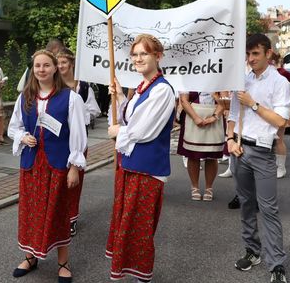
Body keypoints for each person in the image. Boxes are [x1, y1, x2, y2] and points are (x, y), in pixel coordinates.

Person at [8, 49, 87, 283]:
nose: (41, 69)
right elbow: (14, 126)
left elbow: (78, 136)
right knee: (31, 213)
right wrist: (22, 137)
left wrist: (74, 167)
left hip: (57, 165)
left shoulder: (71, 98)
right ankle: (30, 258)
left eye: (46, 65)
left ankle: (63, 263)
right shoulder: (26, 97)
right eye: (37, 66)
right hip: (32, 164)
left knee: (58, 213)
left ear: (55, 68)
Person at [106, 34, 176, 282]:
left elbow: (144, 131)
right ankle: (133, 274)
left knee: (139, 230)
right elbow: (131, 118)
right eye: (134, 54)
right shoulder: (141, 89)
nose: (137, 58)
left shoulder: (163, 90)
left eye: (143, 54)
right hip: (131, 166)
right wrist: (119, 99)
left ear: (157, 56)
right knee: (128, 226)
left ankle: (142, 277)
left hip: (147, 171)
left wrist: (118, 132)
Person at [227, 34, 290, 283]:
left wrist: (253, 104)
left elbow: (280, 121)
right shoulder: (242, 80)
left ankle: (276, 264)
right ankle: (252, 251)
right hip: (240, 150)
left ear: (268, 53)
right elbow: (233, 113)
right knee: (245, 204)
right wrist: (230, 140)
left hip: (264, 151)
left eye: (256, 53)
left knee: (268, 209)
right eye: (248, 54)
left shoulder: (278, 83)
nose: (251, 58)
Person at [56, 47, 100, 236]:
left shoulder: (83, 86)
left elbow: (94, 110)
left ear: (71, 64)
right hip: (57, 142)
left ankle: (71, 219)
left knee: (74, 182)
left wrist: (80, 118)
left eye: (63, 62)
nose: (60, 66)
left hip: (78, 142)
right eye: (57, 63)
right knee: (57, 182)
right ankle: (57, 217)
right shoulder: (54, 85)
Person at [177, 91, 225, 201]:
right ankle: (195, 187)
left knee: (212, 155)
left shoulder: (219, 76)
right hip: (192, 114)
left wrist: (214, 116)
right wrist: (195, 118)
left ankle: (209, 187)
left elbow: (225, 100)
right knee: (193, 154)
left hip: (214, 115)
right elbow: (184, 100)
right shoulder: (190, 74)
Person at [270, 52, 290, 178]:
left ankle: (281, 167)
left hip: (279, 111)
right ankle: (276, 165)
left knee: (279, 139)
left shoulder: (282, 74)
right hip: (269, 112)